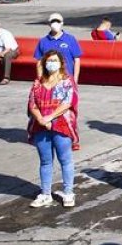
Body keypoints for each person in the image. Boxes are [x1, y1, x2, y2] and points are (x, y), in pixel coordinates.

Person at [27, 50, 80, 208]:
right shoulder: (38, 82)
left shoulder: (66, 81)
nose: (52, 63)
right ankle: (45, 193)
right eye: (49, 60)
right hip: (41, 125)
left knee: (65, 159)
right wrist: (42, 119)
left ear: (61, 63)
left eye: (55, 60)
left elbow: (67, 102)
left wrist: (50, 117)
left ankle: (68, 192)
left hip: (61, 124)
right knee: (45, 161)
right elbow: (32, 104)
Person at [33, 13, 82, 82]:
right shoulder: (43, 41)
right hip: (49, 79)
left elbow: (77, 60)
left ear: (62, 23)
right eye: (53, 21)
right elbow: (39, 62)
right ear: (49, 24)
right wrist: (40, 78)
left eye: (58, 21)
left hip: (66, 78)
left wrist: (75, 79)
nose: (55, 23)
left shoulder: (71, 39)